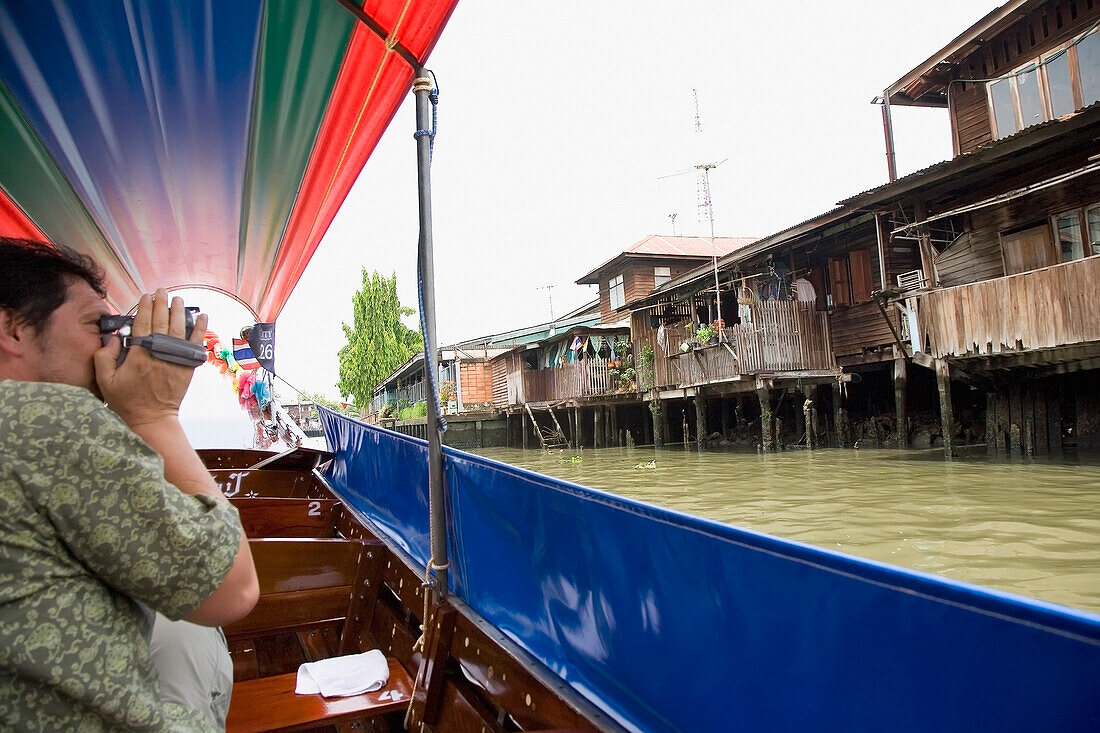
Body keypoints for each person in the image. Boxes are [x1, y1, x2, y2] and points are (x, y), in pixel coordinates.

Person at [0, 238, 259, 731]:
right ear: (12, 328)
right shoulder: (47, 419)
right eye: (98, 325)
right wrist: (154, 414)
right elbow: (234, 590)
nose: (113, 344)